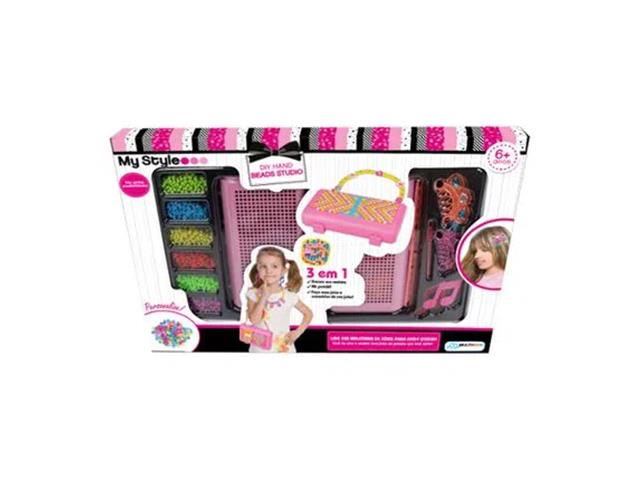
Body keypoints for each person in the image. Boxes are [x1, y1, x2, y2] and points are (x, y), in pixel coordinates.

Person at [245, 247, 313, 352]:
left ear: (283, 270)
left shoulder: (290, 296)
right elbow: (254, 320)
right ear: (258, 269)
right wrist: (263, 297)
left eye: (274, 266)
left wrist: (297, 333)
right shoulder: (253, 294)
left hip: (284, 350)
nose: (269, 270)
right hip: (259, 351)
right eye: (263, 266)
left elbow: (308, 313)